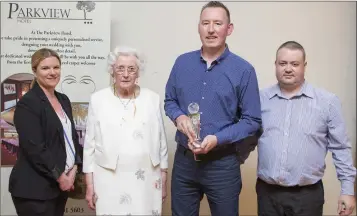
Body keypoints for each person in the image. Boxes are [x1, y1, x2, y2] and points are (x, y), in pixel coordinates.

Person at [164, 1, 262, 216]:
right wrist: (179, 117)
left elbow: (252, 120)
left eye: (218, 23)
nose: (211, 29)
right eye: (205, 23)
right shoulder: (182, 63)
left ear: (229, 29)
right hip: (184, 163)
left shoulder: (244, 70)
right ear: (198, 27)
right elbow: (169, 101)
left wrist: (217, 139)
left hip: (222, 164)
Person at [257, 41, 356, 216]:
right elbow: (246, 139)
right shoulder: (260, 99)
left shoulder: (327, 102)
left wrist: (347, 190)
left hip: (307, 196)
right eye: (283, 63)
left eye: (294, 64)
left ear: (304, 66)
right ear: (275, 65)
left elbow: (341, 148)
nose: (288, 69)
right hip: (267, 194)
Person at [83, 46, 168, 215]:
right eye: (120, 68)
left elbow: (161, 141)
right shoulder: (98, 99)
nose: (126, 74)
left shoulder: (152, 98)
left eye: (131, 69)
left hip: (146, 177)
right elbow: (89, 145)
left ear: (138, 73)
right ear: (112, 70)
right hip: (108, 177)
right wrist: (90, 185)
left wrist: (163, 179)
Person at [9, 48, 82, 216]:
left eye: (56, 67)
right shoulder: (28, 104)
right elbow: (35, 147)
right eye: (45, 68)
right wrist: (60, 177)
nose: (52, 72)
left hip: (58, 188)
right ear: (34, 71)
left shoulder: (63, 99)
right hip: (34, 190)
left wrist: (74, 169)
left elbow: (71, 139)